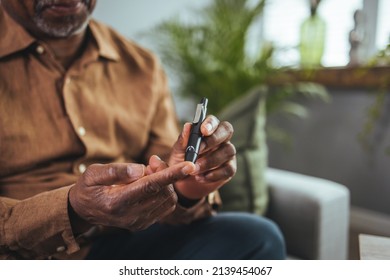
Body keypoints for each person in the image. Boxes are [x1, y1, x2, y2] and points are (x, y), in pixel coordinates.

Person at [0, 0, 285, 260]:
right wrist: (73, 210)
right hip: (22, 257)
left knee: (257, 237)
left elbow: (166, 179)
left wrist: (189, 186)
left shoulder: (142, 66)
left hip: (120, 243)